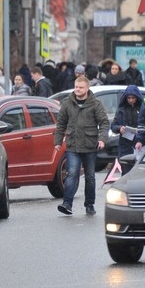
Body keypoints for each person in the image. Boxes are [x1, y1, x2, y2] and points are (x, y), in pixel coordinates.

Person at [53, 75, 109, 216]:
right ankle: (67, 204)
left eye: (81, 87)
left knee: (90, 176)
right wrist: (58, 142)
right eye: (76, 87)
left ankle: (89, 205)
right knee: (72, 174)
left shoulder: (96, 104)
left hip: (90, 145)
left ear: (87, 88)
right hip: (73, 145)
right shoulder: (67, 103)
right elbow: (60, 124)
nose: (77, 90)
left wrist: (102, 139)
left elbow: (103, 123)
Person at [110, 85, 145, 166]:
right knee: (126, 167)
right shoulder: (121, 110)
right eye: (129, 98)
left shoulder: (142, 108)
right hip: (125, 144)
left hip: (140, 142)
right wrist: (120, 128)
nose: (131, 100)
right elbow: (113, 126)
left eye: (133, 98)